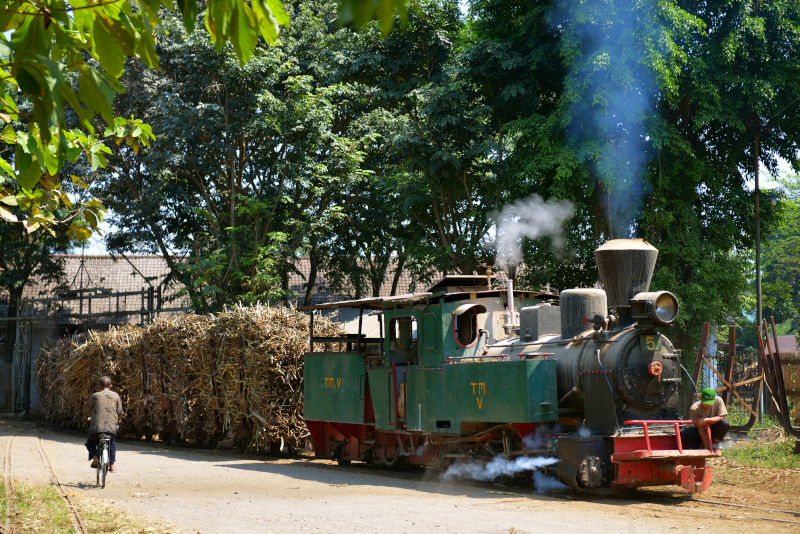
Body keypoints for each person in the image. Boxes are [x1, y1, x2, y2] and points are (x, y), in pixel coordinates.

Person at [85, 375, 123, 472]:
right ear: (110, 386)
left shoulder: (95, 396)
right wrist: (119, 420)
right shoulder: (116, 396)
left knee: (90, 443)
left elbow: (86, 410)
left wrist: (85, 417)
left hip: (96, 429)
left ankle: (95, 458)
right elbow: (120, 411)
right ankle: (112, 464)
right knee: (112, 443)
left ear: (99, 386)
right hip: (111, 428)